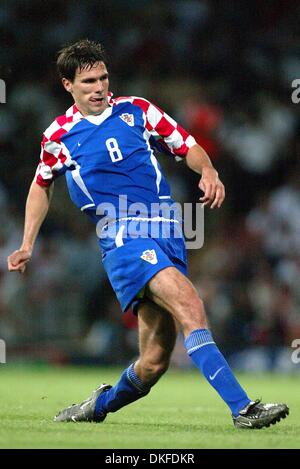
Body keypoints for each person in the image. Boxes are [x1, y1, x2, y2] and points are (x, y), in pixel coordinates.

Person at [7, 39, 289, 429]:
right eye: (88, 81)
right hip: (122, 236)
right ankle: (244, 409)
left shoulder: (137, 110)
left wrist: (207, 171)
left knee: (154, 361)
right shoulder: (58, 135)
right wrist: (26, 242)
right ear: (67, 85)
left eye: (104, 77)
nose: (100, 87)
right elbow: (41, 185)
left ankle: (97, 406)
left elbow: (186, 144)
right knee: (192, 306)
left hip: (168, 231)